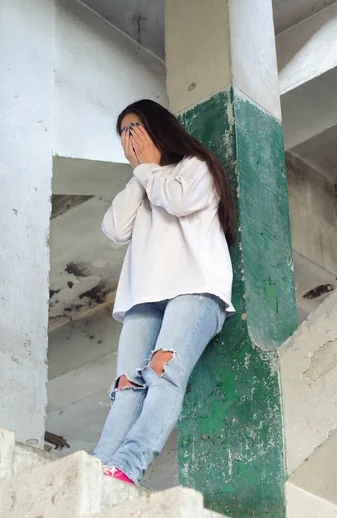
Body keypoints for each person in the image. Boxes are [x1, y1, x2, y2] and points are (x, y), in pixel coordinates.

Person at [92, 99, 236, 486]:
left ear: (158, 128)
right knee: (127, 386)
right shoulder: (143, 181)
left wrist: (146, 168)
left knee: (164, 373)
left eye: (135, 127)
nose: (129, 138)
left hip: (195, 289)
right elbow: (114, 229)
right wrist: (139, 173)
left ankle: (128, 466)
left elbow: (177, 200)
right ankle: (99, 467)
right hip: (143, 297)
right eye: (122, 133)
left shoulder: (195, 168)